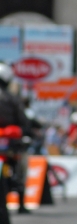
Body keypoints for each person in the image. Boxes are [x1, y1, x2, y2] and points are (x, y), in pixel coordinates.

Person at [0, 62, 32, 215]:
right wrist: (28, 132)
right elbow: (23, 121)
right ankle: (21, 202)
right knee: (20, 168)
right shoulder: (13, 99)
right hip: (12, 143)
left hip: (9, 143)